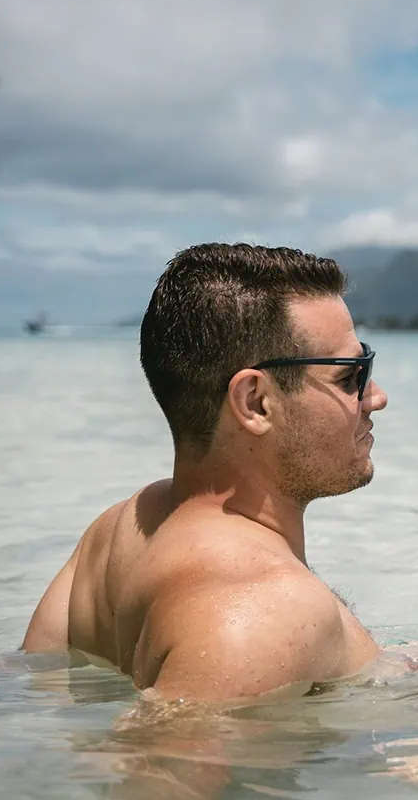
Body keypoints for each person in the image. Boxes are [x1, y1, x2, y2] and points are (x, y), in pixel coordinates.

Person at [21, 242, 386, 702]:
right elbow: (158, 772)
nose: (375, 396)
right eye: (351, 374)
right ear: (255, 402)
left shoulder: (113, 534)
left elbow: (32, 681)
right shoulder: (266, 607)